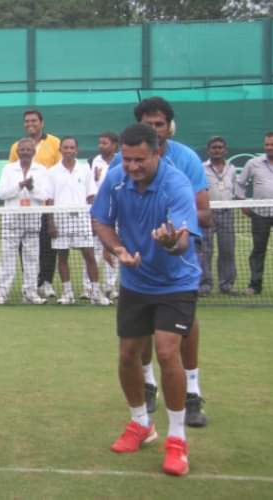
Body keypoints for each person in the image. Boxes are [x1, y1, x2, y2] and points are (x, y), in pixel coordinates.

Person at [91, 123, 199, 477]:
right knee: (127, 356)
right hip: (136, 282)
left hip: (176, 282)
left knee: (167, 352)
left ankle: (177, 439)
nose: (132, 166)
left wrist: (171, 242)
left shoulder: (176, 185)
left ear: (157, 153)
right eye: (128, 158)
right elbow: (102, 222)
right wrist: (118, 248)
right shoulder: (116, 176)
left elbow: (183, 241)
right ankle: (141, 424)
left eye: (140, 159)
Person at [111, 97, 211, 427]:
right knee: (137, 339)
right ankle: (148, 384)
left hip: (177, 259)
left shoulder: (186, 162)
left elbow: (204, 213)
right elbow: (105, 215)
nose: (155, 129)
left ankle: (192, 391)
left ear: (169, 126)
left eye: (160, 124)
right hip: (138, 265)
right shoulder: (121, 167)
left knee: (180, 331)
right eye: (148, 124)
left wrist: (172, 224)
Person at [47, 137, 108, 305]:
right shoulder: (52, 172)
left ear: (77, 150)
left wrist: (94, 221)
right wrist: (51, 223)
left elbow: (91, 197)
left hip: (82, 219)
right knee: (62, 257)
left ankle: (95, 292)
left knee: (89, 255)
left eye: (72, 147)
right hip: (60, 219)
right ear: (60, 150)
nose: (68, 150)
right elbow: (49, 200)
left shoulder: (85, 170)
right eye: (65, 147)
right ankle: (68, 293)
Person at [8, 110, 61, 299]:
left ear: (42, 123)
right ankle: (30, 284)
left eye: (34, 121)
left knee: (48, 244)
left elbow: (57, 173)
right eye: (27, 121)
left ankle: (46, 283)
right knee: (27, 247)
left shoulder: (55, 143)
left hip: (46, 202)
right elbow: (13, 171)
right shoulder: (16, 146)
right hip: (24, 206)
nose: (30, 124)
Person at [0, 137, 51, 305]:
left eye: (28, 150)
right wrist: (20, 185)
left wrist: (32, 187)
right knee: (7, 258)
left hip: (32, 221)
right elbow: (1, 193)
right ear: (17, 152)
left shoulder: (41, 170)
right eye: (22, 150)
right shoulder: (8, 169)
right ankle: (1, 294)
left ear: (34, 152)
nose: (25, 152)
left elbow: (45, 196)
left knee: (32, 259)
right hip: (11, 221)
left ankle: (30, 293)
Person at [236, 132, 273, 296]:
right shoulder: (254, 163)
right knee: (258, 250)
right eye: (267, 144)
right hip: (259, 215)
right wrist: (243, 202)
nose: (269, 147)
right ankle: (255, 285)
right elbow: (240, 183)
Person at [199, 136, 238, 295]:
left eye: (220, 147)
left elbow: (234, 188)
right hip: (208, 212)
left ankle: (227, 285)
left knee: (227, 250)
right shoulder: (201, 168)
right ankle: (205, 285)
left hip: (227, 213)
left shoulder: (232, 169)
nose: (217, 150)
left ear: (225, 150)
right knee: (205, 250)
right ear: (209, 150)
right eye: (214, 147)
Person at [87, 132, 120, 300]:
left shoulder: (121, 161)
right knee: (94, 250)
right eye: (100, 143)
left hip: (118, 212)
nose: (101, 146)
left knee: (114, 249)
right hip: (99, 212)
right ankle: (89, 288)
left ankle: (110, 286)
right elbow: (91, 188)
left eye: (105, 143)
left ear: (114, 145)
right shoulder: (93, 162)